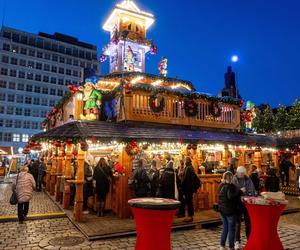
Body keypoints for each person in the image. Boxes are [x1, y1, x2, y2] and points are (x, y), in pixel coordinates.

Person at [233, 166, 256, 250]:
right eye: (241, 173)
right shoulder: (233, 180)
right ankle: (237, 241)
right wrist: (240, 191)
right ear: (237, 173)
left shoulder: (248, 179)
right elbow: (232, 193)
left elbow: (252, 190)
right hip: (237, 204)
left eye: (243, 173)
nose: (242, 175)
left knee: (248, 222)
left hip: (247, 204)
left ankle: (249, 239)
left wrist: (249, 194)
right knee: (237, 223)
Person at [218, 171, 240, 250]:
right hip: (230, 210)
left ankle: (222, 245)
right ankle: (231, 247)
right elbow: (230, 196)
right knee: (231, 229)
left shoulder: (221, 185)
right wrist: (239, 192)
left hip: (222, 210)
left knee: (225, 228)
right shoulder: (231, 186)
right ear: (231, 178)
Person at [181, 157, 197, 223]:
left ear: (186, 161)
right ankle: (190, 216)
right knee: (189, 202)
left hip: (187, 188)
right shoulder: (191, 167)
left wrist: (181, 186)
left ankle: (190, 217)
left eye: (185, 160)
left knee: (189, 202)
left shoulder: (188, 168)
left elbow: (186, 179)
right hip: (190, 188)